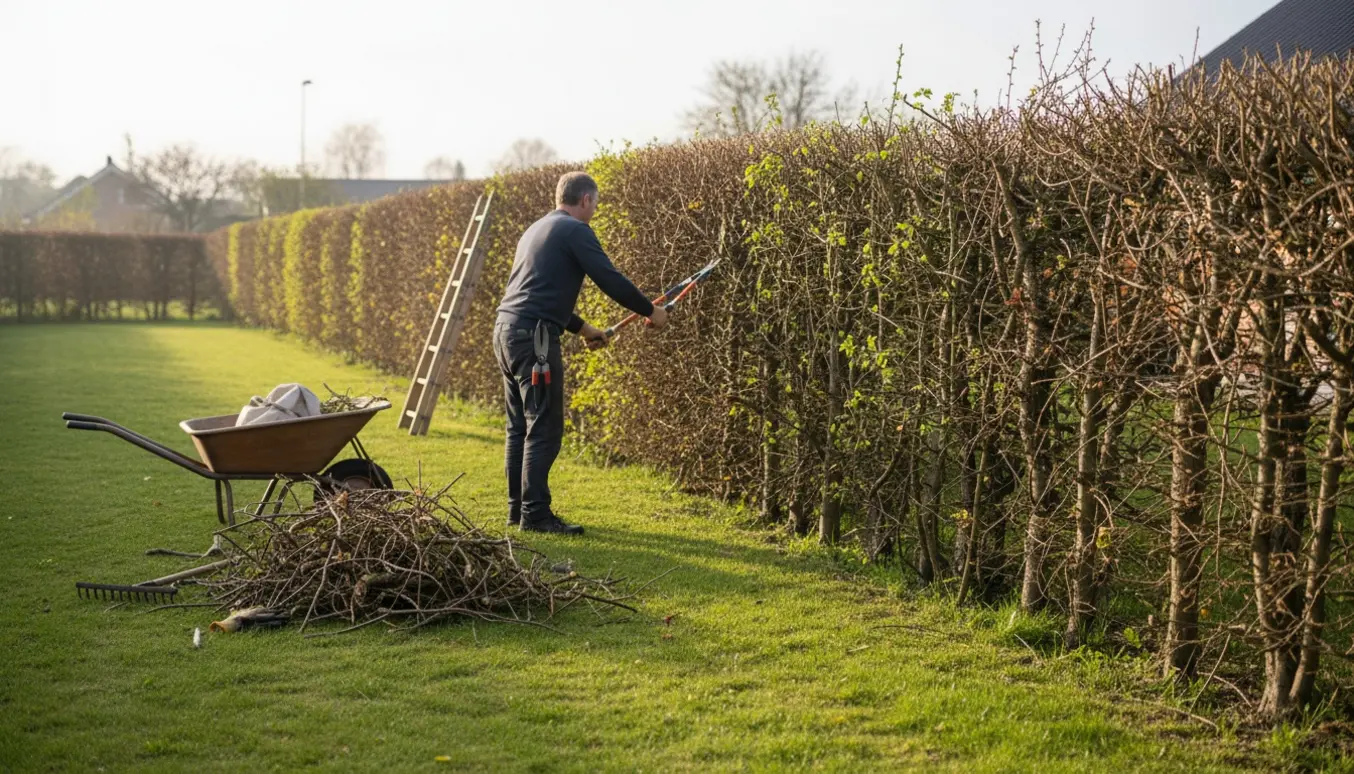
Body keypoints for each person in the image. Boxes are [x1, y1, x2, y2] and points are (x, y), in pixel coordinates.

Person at [493, 171, 667, 535]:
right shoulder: (576, 231)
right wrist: (651, 310)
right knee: (544, 428)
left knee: (519, 426)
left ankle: (517, 510)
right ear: (585, 200)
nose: (595, 210)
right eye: (596, 204)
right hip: (536, 340)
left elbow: (538, 293)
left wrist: (583, 329)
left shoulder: (536, 230)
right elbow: (610, 279)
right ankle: (536, 516)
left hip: (507, 333)